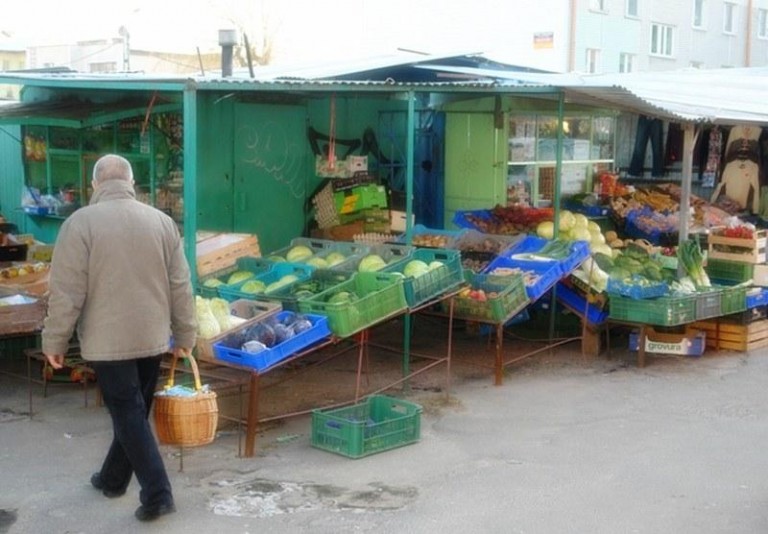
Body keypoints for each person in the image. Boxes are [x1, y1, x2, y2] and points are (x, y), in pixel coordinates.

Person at [42, 154, 197, 522]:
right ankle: (113, 479)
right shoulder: (161, 222)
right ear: (131, 182)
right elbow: (181, 286)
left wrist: (54, 342)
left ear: (95, 185)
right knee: (135, 412)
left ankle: (158, 494)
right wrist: (186, 332)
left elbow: (67, 292)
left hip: (107, 339)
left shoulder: (79, 224)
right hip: (152, 335)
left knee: (128, 413)